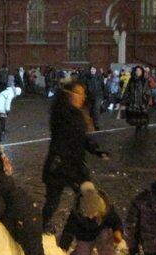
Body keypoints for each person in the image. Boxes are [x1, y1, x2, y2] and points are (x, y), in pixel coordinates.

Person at [42, 80, 110, 230]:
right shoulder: (61, 113)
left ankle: (89, 229)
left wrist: (95, 149)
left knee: (88, 196)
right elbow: (64, 140)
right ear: (69, 95)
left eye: (83, 94)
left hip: (74, 165)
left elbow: (81, 137)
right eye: (79, 94)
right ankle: (40, 226)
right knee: (53, 201)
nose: (82, 97)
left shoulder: (76, 114)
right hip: (60, 165)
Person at [56, 181, 123, 255]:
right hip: (85, 235)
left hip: (102, 232)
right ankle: (83, 254)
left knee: (107, 241)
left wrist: (118, 231)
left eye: (94, 213)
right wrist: (64, 246)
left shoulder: (106, 210)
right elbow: (69, 229)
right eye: (89, 213)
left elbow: (117, 222)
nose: (92, 216)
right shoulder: (76, 214)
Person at [120, 65, 152, 129]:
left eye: (139, 70)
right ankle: (138, 129)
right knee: (136, 118)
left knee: (143, 116)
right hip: (133, 101)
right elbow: (127, 91)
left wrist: (145, 97)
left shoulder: (144, 81)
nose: (138, 72)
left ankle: (145, 127)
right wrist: (124, 101)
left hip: (142, 102)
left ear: (142, 72)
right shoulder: (131, 80)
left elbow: (148, 90)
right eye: (137, 70)